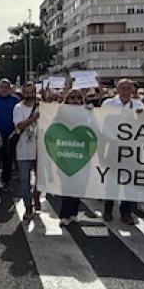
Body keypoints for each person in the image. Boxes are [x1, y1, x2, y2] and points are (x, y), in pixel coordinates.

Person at [101, 79, 144, 224]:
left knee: (130, 183)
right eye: (123, 88)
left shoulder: (139, 105)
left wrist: (141, 117)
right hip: (114, 147)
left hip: (131, 149)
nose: (126, 91)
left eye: (128, 88)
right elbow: (102, 125)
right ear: (117, 89)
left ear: (133, 90)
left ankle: (126, 213)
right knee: (111, 181)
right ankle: (108, 209)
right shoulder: (108, 104)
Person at [58, 88, 94, 225]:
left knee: (79, 184)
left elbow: (94, 127)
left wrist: (91, 113)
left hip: (82, 151)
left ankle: (73, 213)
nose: (75, 100)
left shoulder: (86, 111)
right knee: (67, 184)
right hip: (66, 151)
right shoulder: (61, 111)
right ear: (67, 99)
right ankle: (64, 215)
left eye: (78, 98)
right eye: (72, 97)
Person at [13, 82, 40, 219]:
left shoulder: (42, 106)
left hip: (40, 151)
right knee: (24, 181)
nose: (29, 95)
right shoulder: (18, 108)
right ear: (23, 93)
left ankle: (36, 197)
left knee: (41, 180)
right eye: (27, 92)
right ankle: (28, 206)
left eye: (32, 92)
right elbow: (19, 125)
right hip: (23, 150)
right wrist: (33, 119)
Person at [0, 79, 19, 192]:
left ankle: (6, 182)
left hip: (10, 134)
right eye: (2, 87)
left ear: (10, 89)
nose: (4, 89)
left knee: (8, 159)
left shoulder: (14, 100)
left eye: (6, 87)